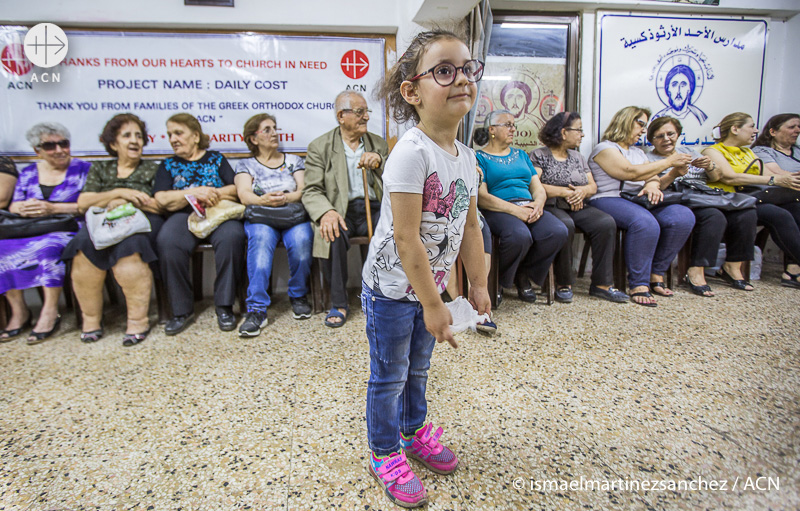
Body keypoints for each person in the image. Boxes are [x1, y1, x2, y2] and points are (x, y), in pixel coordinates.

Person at [364, 29, 490, 509]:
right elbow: (406, 237)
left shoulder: (466, 156)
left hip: (429, 289)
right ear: (412, 92)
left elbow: (472, 228)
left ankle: (413, 432)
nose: (460, 79)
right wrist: (434, 306)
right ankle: (384, 451)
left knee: (419, 368)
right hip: (393, 290)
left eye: (466, 68)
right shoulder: (411, 152)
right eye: (443, 71)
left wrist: (477, 284)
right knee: (390, 375)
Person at [61, 113, 163, 345]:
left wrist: (131, 202)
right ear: (113, 143)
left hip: (141, 222)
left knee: (131, 247)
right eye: (127, 135)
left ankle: (138, 321)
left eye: (138, 135)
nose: (135, 140)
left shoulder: (153, 169)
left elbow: (161, 205)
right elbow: (83, 202)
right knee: (83, 245)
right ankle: (91, 320)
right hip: (104, 221)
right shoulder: (101, 169)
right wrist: (119, 193)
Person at [588, 106, 695, 306]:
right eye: (641, 124)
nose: (643, 131)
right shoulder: (605, 148)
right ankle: (639, 283)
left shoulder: (638, 152)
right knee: (645, 222)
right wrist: (669, 162)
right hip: (609, 198)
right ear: (626, 121)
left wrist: (659, 182)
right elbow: (629, 173)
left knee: (682, 216)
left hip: (638, 199)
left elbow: (653, 178)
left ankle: (656, 272)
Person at [301, 91, 388, 327]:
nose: (366, 117)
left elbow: (395, 179)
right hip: (339, 209)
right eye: (360, 112)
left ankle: (384, 298)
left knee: (390, 233)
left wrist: (379, 163)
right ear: (341, 116)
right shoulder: (320, 147)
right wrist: (326, 212)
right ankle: (338, 302)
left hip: (374, 206)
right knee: (332, 232)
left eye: (366, 112)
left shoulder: (377, 143)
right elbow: (311, 190)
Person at [153, 113, 245, 335]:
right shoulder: (168, 164)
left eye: (178, 133)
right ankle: (181, 310)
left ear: (195, 136)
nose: (173, 138)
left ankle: (224, 306)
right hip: (183, 216)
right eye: (169, 134)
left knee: (233, 237)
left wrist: (212, 192)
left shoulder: (216, 159)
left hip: (218, 212)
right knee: (168, 241)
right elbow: (161, 198)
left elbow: (235, 188)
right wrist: (193, 192)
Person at [646, 116, 757, 296]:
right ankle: (696, 270)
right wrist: (674, 173)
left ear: (678, 134)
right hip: (680, 199)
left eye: (670, 134)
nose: (666, 139)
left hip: (704, 195)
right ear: (651, 139)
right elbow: (655, 186)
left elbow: (715, 178)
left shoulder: (690, 151)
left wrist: (710, 166)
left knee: (746, 212)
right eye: (659, 136)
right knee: (714, 216)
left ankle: (732, 266)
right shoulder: (648, 158)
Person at [0, 123, 89, 344]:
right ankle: (19, 311)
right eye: (50, 145)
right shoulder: (29, 172)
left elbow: (89, 204)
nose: (59, 149)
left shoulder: (84, 169)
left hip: (67, 226)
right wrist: (18, 208)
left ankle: (50, 311)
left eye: (63, 144)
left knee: (48, 248)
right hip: (30, 227)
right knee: (1, 249)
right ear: (37, 150)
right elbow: (12, 205)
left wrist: (53, 208)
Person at [532, 112, 628, 303]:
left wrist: (581, 192)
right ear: (563, 132)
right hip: (551, 205)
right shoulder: (539, 155)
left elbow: (592, 186)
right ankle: (563, 283)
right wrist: (565, 193)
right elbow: (534, 185)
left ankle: (602, 284)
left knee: (606, 223)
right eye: (579, 130)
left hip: (578, 205)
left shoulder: (578, 157)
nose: (582, 135)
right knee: (565, 225)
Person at [474, 110, 569, 303]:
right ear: (492, 129)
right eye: (507, 125)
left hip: (528, 206)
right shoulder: (479, 157)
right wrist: (516, 211)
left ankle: (522, 275)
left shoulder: (521, 155)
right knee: (519, 236)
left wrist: (538, 204)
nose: (512, 129)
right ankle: (498, 280)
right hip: (498, 209)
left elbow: (537, 187)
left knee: (557, 231)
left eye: (513, 125)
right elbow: (482, 197)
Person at [234, 113, 313, 336]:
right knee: (259, 247)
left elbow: (303, 190)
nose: (274, 133)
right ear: (253, 139)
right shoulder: (246, 164)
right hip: (261, 216)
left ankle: (298, 295)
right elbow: (243, 194)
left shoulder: (293, 161)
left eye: (275, 128)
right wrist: (263, 200)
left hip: (292, 215)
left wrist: (286, 198)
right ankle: (256, 309)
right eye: (266, 130)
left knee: (302, 242)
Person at [702, 112, 800, 289]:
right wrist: (774, 180)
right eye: (751, 126)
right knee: (779, 215)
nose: (755, 130)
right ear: (735, 129)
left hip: (749, 199)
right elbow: (730, 178)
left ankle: (792, 270)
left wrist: (789, 179)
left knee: (793, 208)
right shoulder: (713, 151)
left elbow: (768, 174)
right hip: (727, 201)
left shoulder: (748, 152)